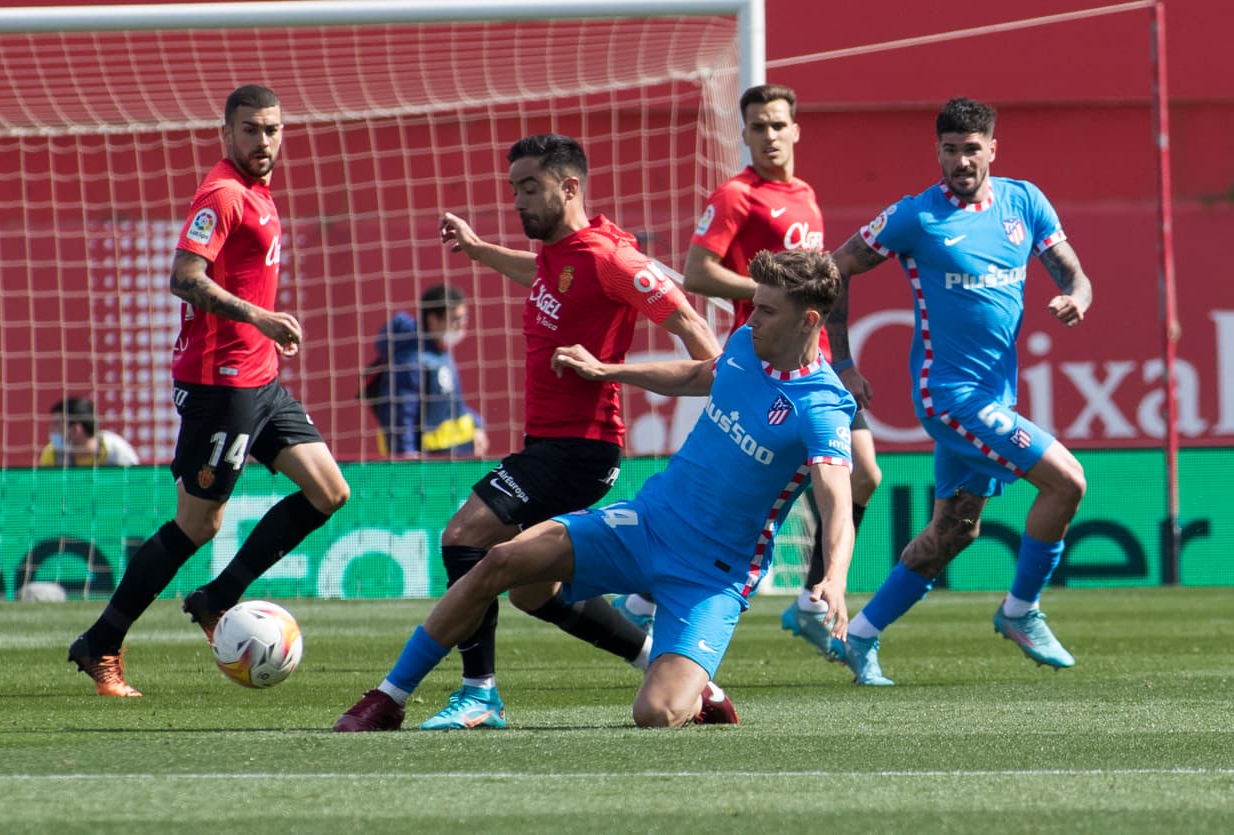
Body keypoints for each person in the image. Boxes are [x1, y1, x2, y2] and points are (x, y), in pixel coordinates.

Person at [333, 248, 856, 731]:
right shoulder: (745, 345)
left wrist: (833, 576)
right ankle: (388, 697)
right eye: (754, 305)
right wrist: (609, 371)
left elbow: (835, 496)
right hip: (648, 522)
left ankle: (698, 690)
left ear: (807, 320)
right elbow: (700, 374)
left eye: (766, 310)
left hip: (711, 574)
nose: (752, 317)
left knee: (657, 713)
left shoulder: (822, 406)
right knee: (502, 563)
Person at [377, 133, 720, 730]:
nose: (518, 201)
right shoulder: (556, 256)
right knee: (534, 593)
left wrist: (612, 371)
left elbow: (700, 340)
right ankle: (676, 673)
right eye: (514, 189)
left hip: (580, 448)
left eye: (530, 188)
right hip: (549, 445)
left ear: (570, 187)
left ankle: (478, 692)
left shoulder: (615, 260)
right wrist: (479, 250)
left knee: (465, 535)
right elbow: (541, 273)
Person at [66, 85, 350, 697]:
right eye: (250, 130)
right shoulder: (222, 194)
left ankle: (217, 598)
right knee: (197, 525)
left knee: (329, 491)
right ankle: (101, 642)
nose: (263, 141)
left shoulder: (259, 191)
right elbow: (183, 278)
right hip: (220, 385)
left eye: (272, 129)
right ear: (227, 134)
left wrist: (262, 335)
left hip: (261, 380)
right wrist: (261, 318)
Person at [824, 97, 1092, 685]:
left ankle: (859, 635)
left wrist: (1077, 296)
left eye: (972, 149)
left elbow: (1073, 272)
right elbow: (835, 267)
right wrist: (841, 361)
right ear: (938, 152)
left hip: (996, 396)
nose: (961, 161)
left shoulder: (1025, 202)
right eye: (950, 150)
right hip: (949, 394)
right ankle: (1020, 610)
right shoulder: (916, 216)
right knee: (1068, 480)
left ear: (992, 149)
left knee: (956, 530)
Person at [615, 83, 882, 661]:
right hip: (761, 360)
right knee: (739, 489)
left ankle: (810, 597)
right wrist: (773, 293)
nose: (769, 135)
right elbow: (698, 272)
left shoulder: (805, 195)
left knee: (864, 474)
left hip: (815, 365)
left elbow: (822, 292)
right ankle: (644, 595)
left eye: (778, 124)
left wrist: (844, 360)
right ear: (745, 134)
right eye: (758, 126)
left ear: (795, 130)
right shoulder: (737, 195)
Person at [361, 284, 487, 458]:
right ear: (433, 320)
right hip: (432, 463)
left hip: (454, 456)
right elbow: (399, 418)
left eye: (465, 317)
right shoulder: (410, 362)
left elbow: (451, 404)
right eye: (456, 319)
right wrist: (407, 460)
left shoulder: (438, 351)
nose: (462, 325)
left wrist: (476, 426)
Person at [39, 396, 140, 467]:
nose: (51, 429)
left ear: (76, 429)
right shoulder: (52, 453)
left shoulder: (116, 451)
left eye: (57, 424)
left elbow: (136, 486)